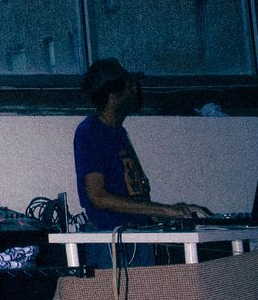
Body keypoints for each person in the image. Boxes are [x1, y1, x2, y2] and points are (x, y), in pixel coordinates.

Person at [72, 60, 205, 237]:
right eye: (129, 87)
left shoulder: (117, 132)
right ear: (114, 96)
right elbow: (98, 197)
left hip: (136, 234)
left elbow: (130, 193)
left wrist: (171, 212)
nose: (135, 90)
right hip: (115, 241)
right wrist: (165, 211)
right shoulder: (90, 132)